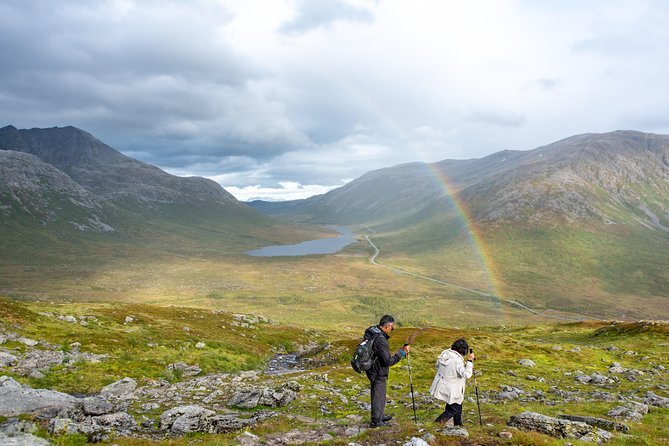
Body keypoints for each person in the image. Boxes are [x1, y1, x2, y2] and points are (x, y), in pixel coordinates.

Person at [364, 314, 410, 428]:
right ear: (387, 326)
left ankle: (379, 415)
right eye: (392, 327)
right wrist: (402, 353)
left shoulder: (373, 332)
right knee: (378, 393)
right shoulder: (380, 339)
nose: (392, 329)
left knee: (380, 393)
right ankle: (376, 421)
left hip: (372, 368)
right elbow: (388, 361)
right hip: (377, 370)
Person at [429, 337, 475, 426]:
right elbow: (467, 374)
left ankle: (458, 425)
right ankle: (435, 425)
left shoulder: (445, 353)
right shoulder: (457, 360)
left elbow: (437, 365)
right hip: (453, 388)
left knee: (457, 405)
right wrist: (469, 361)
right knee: (453, 409)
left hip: (443, 385)